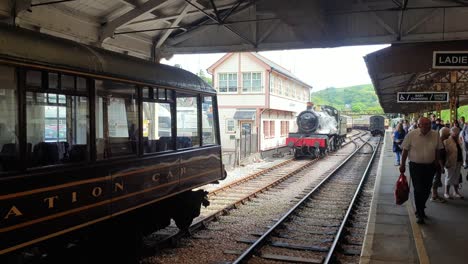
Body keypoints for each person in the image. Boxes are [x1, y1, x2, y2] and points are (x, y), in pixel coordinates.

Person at [400, 117, 443, 224]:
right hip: (415, 167)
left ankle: (421, 207)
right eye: (424, 125)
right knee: (418, 189)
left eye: (428, 124)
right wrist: (402, 164)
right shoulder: (411, 134)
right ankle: (420, 213)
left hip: (430, 166)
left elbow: (438, 150)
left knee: (427, 189)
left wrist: (437, 162)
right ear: (419, 125)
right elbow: (405, 150)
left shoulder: (435, 134)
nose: (427, 126)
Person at [443, 126, 464, 200]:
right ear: (451, 133)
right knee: (449, 177)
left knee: (456, 177)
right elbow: (445, 154)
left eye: (457, 134)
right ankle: (446, 192)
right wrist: (445, 163)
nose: (456, 135)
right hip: (450, 162)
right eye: (455, 134)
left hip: (458, 161)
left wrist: (462, 161)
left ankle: (456, 192)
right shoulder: (447, 141)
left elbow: (461, 151)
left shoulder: (459, 140)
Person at [431, 127, 450, 202]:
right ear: (445, 134)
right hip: (437, 165)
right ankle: (434, 195)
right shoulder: (439, 142)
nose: (449, 135)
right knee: (436, 179)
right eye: (448, 134)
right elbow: (438, 156)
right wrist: (442, 167)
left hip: (438, 164)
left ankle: (435, 194)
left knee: (437, 179)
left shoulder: (440, 141)